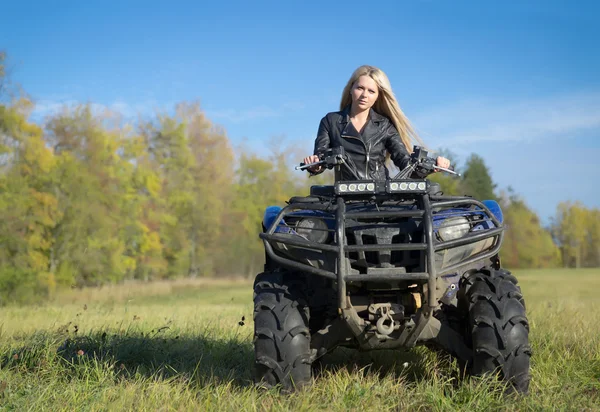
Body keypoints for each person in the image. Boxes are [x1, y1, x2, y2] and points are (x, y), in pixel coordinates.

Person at [303, 65, 450, 181]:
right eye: (360, 88)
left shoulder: (385, 126)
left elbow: (405, 164)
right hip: (344, 199)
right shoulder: (330, 121)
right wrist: (315, 165)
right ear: (351, 89)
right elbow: (320, 157)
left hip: (381, 197)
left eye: (371, 91)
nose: (364, 95)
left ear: (377, 97)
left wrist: (433, 165)